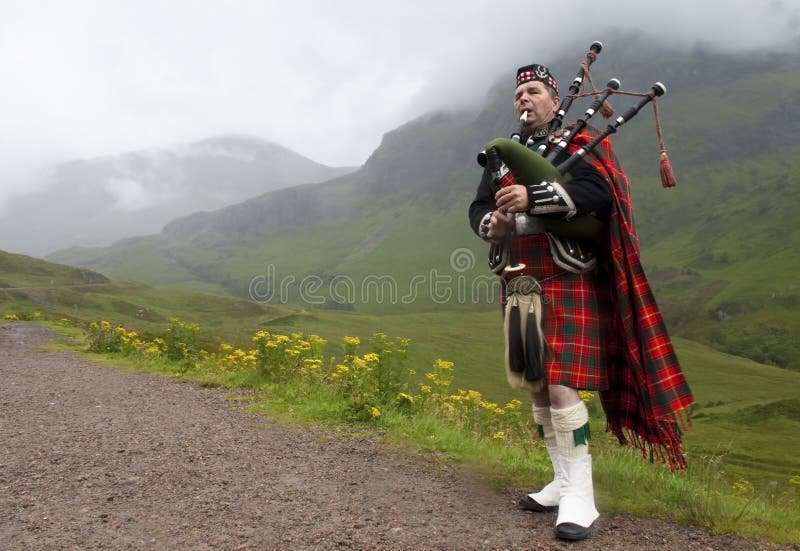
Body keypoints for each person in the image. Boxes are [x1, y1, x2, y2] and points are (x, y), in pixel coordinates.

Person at [468, 64, 693, 541]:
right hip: (518, 277)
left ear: (554, 99)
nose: (523, 100)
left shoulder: (579, 141)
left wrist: (533, 196)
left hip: (564, 273)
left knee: (562, 384)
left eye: (532, 92)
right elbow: (478, 207)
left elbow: (599, 190)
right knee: (534, 383)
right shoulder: (505, 155)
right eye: (518, 95)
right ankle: (561, 481)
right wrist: (495, 224)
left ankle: (581, 497)